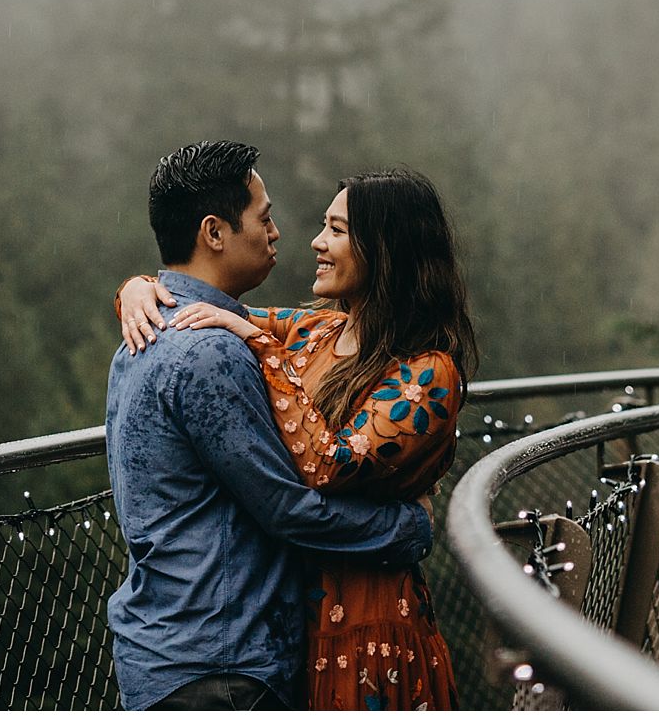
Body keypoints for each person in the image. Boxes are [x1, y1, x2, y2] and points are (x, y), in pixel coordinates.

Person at [117, 165, 476, 711]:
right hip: (295, 631)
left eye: (335, 230)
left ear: (385, 249)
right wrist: (140, 289)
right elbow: (206, 309)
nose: (315, 241)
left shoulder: (428, 373)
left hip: (369, 628)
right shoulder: (317, 331)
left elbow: (330, 466)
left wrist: (261, 349)